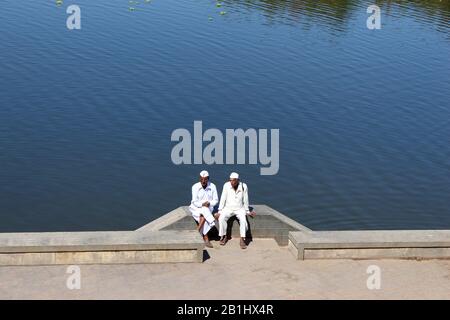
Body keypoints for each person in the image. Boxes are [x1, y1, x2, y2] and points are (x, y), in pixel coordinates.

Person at [217, 172, 256, 249]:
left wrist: (247, 211)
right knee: (221, 218)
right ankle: (224, 236)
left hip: (240, 208)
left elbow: (245, 199)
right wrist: (219, 211)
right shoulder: (226, 185)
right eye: (230, 180)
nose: (232, 182)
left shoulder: (243, 186)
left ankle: (242, 238)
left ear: (238, 180)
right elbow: (223, 198)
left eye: (233, 180)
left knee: (243, 221)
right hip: (228, 208)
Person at [189, 170, 218, 248]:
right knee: (204, 213)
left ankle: (198, 232)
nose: (203, 181)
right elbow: (194, 201)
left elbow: (215, 200)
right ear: (199, 178)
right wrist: (202, 204)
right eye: (201, 179)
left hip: (208, 207)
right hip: (196, 207)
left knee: (204, 213)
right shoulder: (195, 187)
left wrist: (209, 203)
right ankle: (206, 237)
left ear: (208, 178)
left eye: (205, 179)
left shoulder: (213, 186)